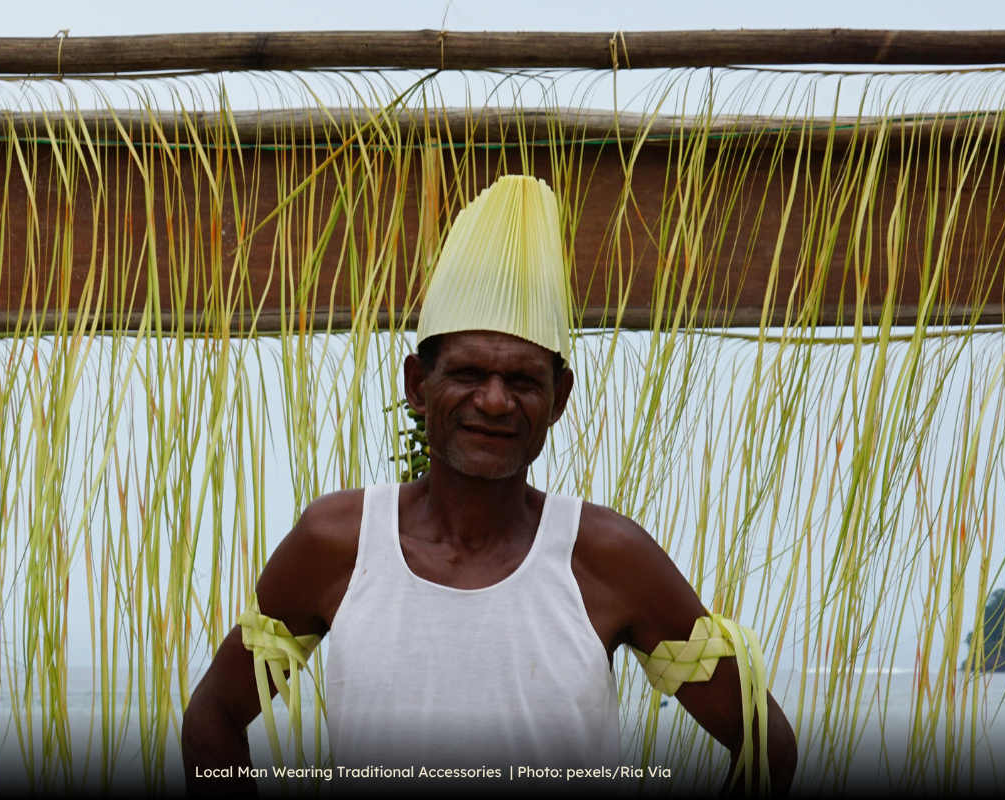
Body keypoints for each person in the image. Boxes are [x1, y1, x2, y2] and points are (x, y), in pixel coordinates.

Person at [181, 175, 798, 795]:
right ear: (418, 386)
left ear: (559, 399)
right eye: (469, 372)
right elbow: (213, 717)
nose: (496, 401)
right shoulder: (337, 543)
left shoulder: (607, 556)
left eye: (524, 380)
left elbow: (765, 745)